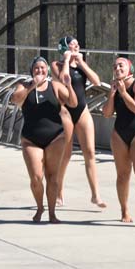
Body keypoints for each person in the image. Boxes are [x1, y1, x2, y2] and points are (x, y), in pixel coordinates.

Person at [11, 56, 76, 223]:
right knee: (36, 178)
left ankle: (52, 213)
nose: (40, 71)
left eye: (43, 68)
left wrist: (68, 84)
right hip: (31, 139)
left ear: (47, 70)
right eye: (36, 69)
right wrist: (33, 85)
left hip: (56, 137)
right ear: (32, 71)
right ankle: (40, 207)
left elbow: (73, 103)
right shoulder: (24, 86)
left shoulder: (55, 86)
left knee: (52, 177)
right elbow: (15, 99)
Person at [52, 36, 106, 208]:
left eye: (77, 44)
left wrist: (82, 64)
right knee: (65, 154)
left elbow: (97, 82)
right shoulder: (57, 65)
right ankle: (58, 191)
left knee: (90, 152)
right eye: (72, 44)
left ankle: (95, 195)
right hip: (66, 111)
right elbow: (62, 79)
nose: (76, 46)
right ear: (65, 48)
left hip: (82, 110)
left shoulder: (82, 66)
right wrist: (67, 60)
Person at [102, 57, 135, 229]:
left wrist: (124, 92)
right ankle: (124, 211)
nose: (117, 68)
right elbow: (107, 113)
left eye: (121, 65)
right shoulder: (116, 88)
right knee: (122, 175)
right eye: (114, 66)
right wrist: (112, 94)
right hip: (119, 134)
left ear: (130, 68)